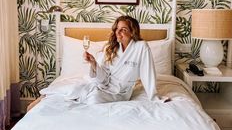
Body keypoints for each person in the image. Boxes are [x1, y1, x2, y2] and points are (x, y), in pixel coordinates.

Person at [27, 16, 167, 111]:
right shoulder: (110, 48)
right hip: (103, 85)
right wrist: (94, 63)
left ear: (133, 31)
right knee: (80, 87)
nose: (118, 33)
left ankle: (68, 103)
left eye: (123, 30)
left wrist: (154, 97)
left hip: (120, 92)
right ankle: (46, 96)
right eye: (117, 29)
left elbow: (148, 74)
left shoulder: (141, 47)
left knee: (94, 98)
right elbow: (103, 78)